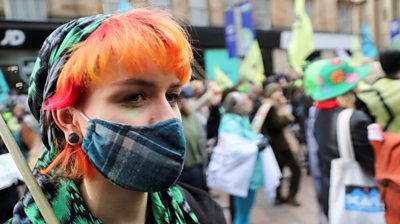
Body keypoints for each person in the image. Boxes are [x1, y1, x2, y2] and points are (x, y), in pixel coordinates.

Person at [7, 10, 225, 224]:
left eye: (172, 96)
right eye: (135, 97)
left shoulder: (202, 212)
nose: (170, 117)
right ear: (68, 119)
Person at [312, 58, 375, 218]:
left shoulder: (319, 114)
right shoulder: (355, 119)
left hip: (333, 194)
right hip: (358, 199)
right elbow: (374, 161)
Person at [217, 92, 267, 224]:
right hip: (242, 176)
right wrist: (257, 146)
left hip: (247, 175)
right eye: (245, 102)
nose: (250, 103)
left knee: (244, 213)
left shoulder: (241, 119)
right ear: (236, 107)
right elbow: (235, 149)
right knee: (242, 214)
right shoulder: (231, 123)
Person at [261, 82, 302, 206]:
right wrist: (286, 114)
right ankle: (289, 196)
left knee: (279, 171)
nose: (280, 93)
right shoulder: (270, 107)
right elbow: (277, 124)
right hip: (279, 145)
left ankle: (279, 196)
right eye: (277, 91)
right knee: (295, 170)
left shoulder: (274, 105)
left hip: (279, 144)